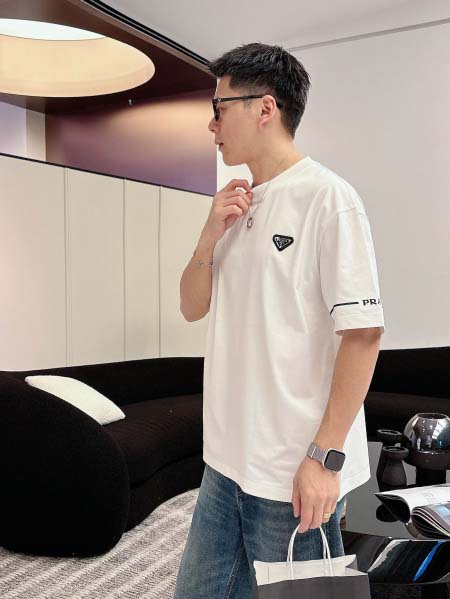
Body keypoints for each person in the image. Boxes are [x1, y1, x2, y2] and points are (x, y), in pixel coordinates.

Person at [175, 42, 385, 598]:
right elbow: (191, 306)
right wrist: (208, 236)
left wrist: (324, 459)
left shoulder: (328, 198)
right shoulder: (234, 203)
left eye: (219, 107)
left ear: (264, 108)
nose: (212, 124)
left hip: (293, 471)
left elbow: (363, 335)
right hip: (224, 462)